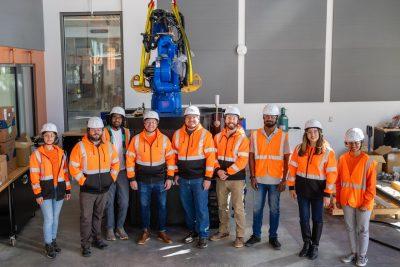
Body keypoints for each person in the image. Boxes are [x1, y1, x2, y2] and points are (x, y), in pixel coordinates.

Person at [69, 117, 119, 257]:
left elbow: (115, 163)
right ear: (88, 130)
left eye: (99, 129)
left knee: (98, 216)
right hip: (87, 191)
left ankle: (97, 239)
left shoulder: (108, 146)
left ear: (102, 130)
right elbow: (73, 167)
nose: (96, 132)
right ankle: (86, 244)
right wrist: (83, 181)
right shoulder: (80, 146)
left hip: (103, 189)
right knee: (86, 218)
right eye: (93, 129)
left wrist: (111, 178)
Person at [288, 119, 337, 260]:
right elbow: (292, 169)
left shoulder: (328, 151)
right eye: (309, 132)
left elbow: (332, 174)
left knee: (317, 219)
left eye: (315, 131)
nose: (312, 134)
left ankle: (315, 246)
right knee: (303, 219)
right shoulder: (299, 149)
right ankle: (306, 244)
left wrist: (328, 194)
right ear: (306, 134)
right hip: (302, 191)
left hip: (318, 193)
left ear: (320, 133)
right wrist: (291, 186)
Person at [126, 110, 176, 245]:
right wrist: (132, 179)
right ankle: (145, 232)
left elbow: (171, 159)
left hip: (160, 180)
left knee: (162, 206)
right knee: (144, 206)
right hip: (142, 181)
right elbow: (129, 160)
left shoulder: (164, 139)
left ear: (157, 123)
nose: (151, 124)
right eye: (148, 122)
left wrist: (170, 177)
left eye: (153, 122)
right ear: (144, 123)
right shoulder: (136, 139)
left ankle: (161, 231)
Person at [245, 104, 291, 250]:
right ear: (263, 117)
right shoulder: (254, 134)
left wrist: (285, 179)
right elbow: (251, 156)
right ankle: (256, 235)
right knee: (257, 209)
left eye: (272, 116)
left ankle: (273, 237)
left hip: (276, 180)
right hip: (259, 179)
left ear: (276, 118)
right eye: (267, 116)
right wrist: (252, 176)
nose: (269, 118)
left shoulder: (283, 136)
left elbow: (286, 158)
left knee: (274, 210)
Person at [172, 105, 216, 249]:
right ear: (185, 119)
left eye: (194, 117)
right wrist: (176, 174)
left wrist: (208, 178)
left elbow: (211, 158)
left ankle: (203, 235)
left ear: (199, 118)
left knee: (201, 208)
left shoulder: (206, 135)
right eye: (189, 117)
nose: (191, 120)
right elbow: (173, 156)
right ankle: (194, 231)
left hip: (200, 179)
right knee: (188, 207)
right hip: (183, 179)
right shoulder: (178, 134)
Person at [29, 123, 71, 259]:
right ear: (43, 137)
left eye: (51, 135)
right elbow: (34, 175)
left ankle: (53, 241)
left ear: (55, 137)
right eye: (46, 135)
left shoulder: (61, 153)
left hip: (58, 189)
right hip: (45, 190)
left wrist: (68, 189)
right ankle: (47, 244)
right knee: (49, 218)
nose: (49, 137)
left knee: (56, 218)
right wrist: (37, 193)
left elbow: (65, 172)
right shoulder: (36, 154)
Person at [209, 106, 249, 248]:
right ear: (224, 119)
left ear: (238, 120)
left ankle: (240, 236)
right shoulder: (217, 137)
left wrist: (228, 172)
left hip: (236, 179)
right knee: (222, 206)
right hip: (221, 177)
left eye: (234, 117)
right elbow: (212, 156)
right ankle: (224, 231)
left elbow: (243, 160)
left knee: (238, 208)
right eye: (228, 117)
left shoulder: (243, 138)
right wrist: (218, 170)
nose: (231, 120)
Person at [336, 128, 376, 267]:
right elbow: (338, 181)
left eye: (356, 142)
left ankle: (362, 256)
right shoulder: (342, 159)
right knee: (350, 228)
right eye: (350, 143)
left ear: (361, 142)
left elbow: (371, 186)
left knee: (363, 229)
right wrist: (338, 199)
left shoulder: (368, 161)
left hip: (363, 202)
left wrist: (366, 202)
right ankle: (353, 253)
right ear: (346, 143)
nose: (354, 145)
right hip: (347, 200)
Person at [103, 106, 131, 241]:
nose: (117, 119)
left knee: (124, 201)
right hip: (108, 171)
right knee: (109, 202)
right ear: (110, 118)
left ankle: (119, 227)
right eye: (114, 117)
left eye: (120, 117)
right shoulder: (104, 132)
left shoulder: (127, 132)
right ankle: (109, 229)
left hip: (122, 171)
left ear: (123, 120)